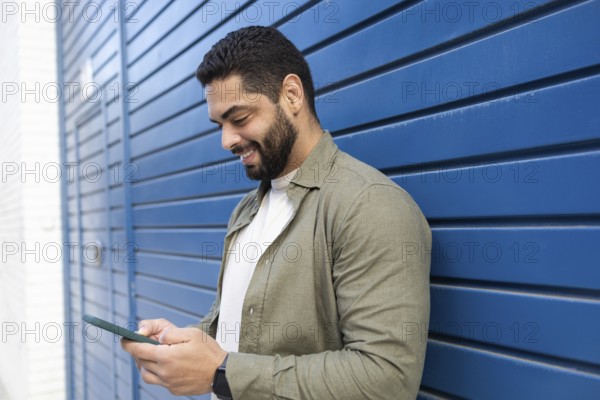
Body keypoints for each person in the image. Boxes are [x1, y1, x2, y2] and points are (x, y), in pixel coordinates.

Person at [121, 25, 431, 400]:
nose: (227, 140)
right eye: (220, 124)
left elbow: (387, 379)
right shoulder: (247, 211)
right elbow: (238, 329)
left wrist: (221, 374)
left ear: (291, 94)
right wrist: (184, 344)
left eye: (239, 118)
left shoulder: (367, 205)